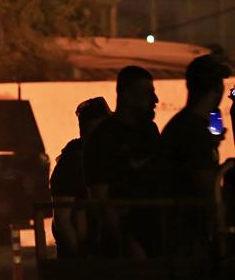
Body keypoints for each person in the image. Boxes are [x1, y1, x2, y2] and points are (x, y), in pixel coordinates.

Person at [83, 65, 160, 255]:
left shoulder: (149, 132)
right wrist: (126, 244)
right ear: (127, 96)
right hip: (122, 250)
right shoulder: (102, 139)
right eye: (147, 93)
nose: (155, 100)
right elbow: (101, 199)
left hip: (156, 236)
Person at [158, 55, 231, 254]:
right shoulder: (191, 130)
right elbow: (206, 182)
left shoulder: (191, 124)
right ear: (216, 88)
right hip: (188, 236)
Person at [50, 98, 111, 257]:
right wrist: (82, 258)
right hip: (82, 259)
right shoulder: (71, 162)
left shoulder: (101, 156)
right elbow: (62, 221)